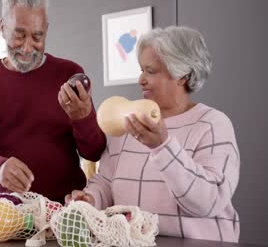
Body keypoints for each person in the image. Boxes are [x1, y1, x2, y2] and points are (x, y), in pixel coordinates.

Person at [65, 26, 240, 242]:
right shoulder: (128, 121)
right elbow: (106, 181)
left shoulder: (212, 125)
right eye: (141, 70)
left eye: (151, 71)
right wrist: (91, 199)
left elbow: (209, 201)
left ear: (182, 75)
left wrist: (162, 146)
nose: (141, 79)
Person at [0, 0, 106, 203]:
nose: (27, 47)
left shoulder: (70, 74)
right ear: (4, 27)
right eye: (19, 34)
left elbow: (94, 152)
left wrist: (83, 117)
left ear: (46, 30)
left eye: (37, 36)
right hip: (6, 215)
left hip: (66, 212)